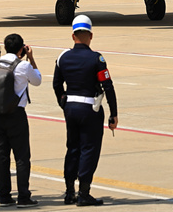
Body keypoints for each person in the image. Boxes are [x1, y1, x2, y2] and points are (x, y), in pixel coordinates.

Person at [53, 14, 118, 206]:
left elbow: (57, 84)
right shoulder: (96, 59)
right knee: (89, 149)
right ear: (91, 35)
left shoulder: (63, 57)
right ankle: (84, 192)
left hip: (70, 107)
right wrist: (114, 113)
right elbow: (108, 86)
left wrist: (62, 101)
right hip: (90, 108)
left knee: (72, 148)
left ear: (73, 36)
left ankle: (68, 191)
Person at [0, 33, 42, 208]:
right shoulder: (23, 66)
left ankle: (4, 196)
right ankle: (23, 196)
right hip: (16, 115)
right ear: (21, 48)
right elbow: (37, 80)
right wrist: (31, 58)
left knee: (2, 156)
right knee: (21, 157)